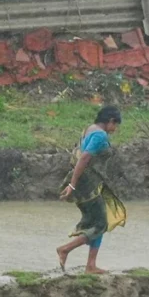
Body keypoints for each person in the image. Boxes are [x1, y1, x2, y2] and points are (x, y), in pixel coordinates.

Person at [56, 106, 126, 274]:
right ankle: (65, 249)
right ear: (110, 121)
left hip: (88, 183)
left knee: (98, 221)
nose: (115, 129)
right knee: (101, 223)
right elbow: (84, 158)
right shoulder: (100, 135)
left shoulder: (90, 129)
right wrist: (72, 185)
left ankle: (91, 265)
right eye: (115, 125)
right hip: (87, 185)